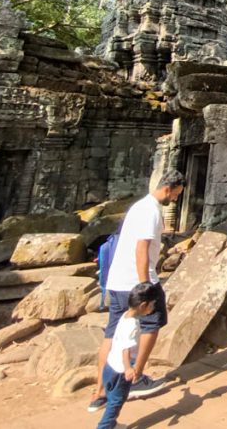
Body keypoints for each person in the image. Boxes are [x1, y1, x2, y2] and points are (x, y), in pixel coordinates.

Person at [88, 170, 185, 413]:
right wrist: (145, 287)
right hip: (137, 280)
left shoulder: (137, 207)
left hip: (118, 280)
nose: (175, 199)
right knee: (152, 325)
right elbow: (142, 249)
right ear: (168, 188)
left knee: (112, 334)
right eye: (176, 194)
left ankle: (99, 391)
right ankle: (136, 378)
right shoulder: (151, 211)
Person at [97, 281, 159, 429]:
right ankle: (104, 426)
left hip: (109, 366)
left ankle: (112, 424)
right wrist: (128, 368)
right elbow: (126, 349)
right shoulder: (132, 325)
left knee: (112, 398)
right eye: (152, 305)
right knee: (116, 401)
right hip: (119, 371)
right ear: (143, 305)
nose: (153, 308)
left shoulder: (125, 315)